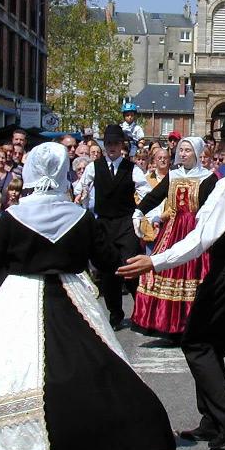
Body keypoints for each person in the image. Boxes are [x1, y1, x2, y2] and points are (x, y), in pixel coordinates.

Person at [0, 143, 175, 450]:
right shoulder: (79, 217)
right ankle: (99, 442)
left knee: (20, 372)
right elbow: (106, 260)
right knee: (92, 365)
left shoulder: (14, 217)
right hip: (73, 293)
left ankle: (26, 449)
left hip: (21, 295)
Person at [117, 108, 225, 450]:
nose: (219, 144)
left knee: (196, 343)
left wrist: (154, 260)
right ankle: (213, 420)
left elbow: (200, 238)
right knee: (211, 344)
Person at [131, 137, 218, 339]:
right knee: (165, 268)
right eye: (182, 150)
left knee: (193, 274)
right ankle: (167, 324)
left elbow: (211, 206)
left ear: (197, 154)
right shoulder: (173, 175)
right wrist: (139, 212)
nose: (183, 153)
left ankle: (191, 326)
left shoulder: (208, 178)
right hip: (173, 228)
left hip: (195, 228)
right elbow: (155, 196)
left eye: (188, 150)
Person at [76, 125, 151, 330]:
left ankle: (142, 313)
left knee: (130, 267)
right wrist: (80, 194)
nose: (112, 147)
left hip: (125, 222)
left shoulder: (131, 168)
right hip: (104, 224)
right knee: (109, 270)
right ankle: (115, 314)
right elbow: (82, 185)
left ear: (122, 145)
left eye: (116, 143)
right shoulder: (94, 166)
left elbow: (146, 191)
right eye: (108, 143)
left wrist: (142, 212)